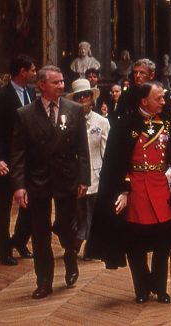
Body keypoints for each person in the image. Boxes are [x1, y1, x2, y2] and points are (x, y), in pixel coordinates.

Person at [88, 82, 171, 304]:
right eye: (159, 98)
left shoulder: (170, 123)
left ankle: (160, 287)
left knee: (163, 242)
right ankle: (142, 288)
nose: (164, 102)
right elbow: (116, 163)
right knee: (135, 244)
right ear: (144, 101)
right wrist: (123, 191)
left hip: (162, 188)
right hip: (135, 189)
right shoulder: (125, 125)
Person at [10, 65, 90, 299]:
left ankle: (70, 258)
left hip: (67, 178)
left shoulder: (74, 110)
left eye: (62, 82)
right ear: (41, 85)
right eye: (56, 83)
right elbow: (18, 154)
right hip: (38, 181)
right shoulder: (24, 114)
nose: (61, 86)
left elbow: (82, 149)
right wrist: (18, 185)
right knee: (40, 232)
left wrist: (84, 179)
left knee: (67, 227)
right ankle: (44, 280)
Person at [0, 53, 36, 266]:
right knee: (3, 206)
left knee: (30, 204)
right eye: (33, 70)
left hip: (28, 161)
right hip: (7, 161)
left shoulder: (31, 93)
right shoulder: (2, 96)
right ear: (22, 71)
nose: (35, 73)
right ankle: (3, 252)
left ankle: (18, 241)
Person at [66, 79, 109, 261]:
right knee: (76, 213)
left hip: (95, 174)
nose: (83, 99)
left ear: (92, 98)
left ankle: (90, 248)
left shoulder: (102, 122)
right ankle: (76, 240)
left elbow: (106, 151)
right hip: (74, 176)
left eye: (86, 95)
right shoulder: (66, 121)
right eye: (79, 96)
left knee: (92, 213)